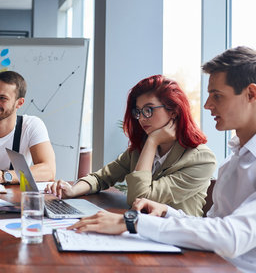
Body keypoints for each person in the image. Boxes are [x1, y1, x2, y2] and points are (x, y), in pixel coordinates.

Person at [69, 47, 256, 272]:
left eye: (217, 95)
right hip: (207, 262)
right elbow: (213, 226)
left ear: (251, 94)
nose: (207, 105)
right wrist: (167, 213)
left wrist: (134, 222)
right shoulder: (235, 158)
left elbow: (233, 236)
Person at [47, 75, 216, 216]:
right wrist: (72, 190)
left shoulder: (201, 159)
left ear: (174, 111)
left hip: (178, 244)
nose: (142, 118)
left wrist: (152, 142)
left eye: (149, 110)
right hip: (139, 232)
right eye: (138, 111)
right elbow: (101, 177)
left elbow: (141, 196)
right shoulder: (140, 149)